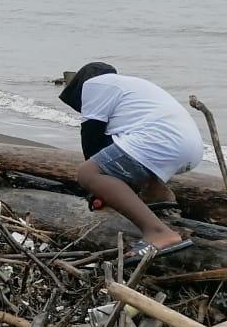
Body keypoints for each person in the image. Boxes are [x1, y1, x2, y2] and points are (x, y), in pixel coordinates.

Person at [58, 62, 204, 259]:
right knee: (124, 154)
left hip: (161, 140)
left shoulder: (94, 85)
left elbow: (91, 138)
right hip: (190, 148)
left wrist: (95, 188)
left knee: (88, 173)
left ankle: (159, 233)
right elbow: (111, 149)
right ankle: (157, 196)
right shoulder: (130, 87)